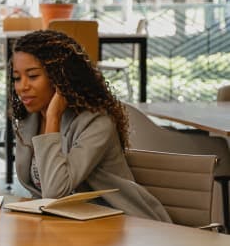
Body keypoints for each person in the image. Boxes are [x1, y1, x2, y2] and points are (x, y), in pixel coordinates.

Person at [9, 29, 170, 221]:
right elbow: (40, 193)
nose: (22, 86)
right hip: (69, 224)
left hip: (123, 225)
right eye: (17, 78)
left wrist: (53, 117)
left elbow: (55, 191)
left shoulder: (95, 123)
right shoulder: (29, 121)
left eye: (33, 76)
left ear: (60, 78)